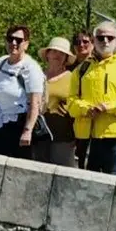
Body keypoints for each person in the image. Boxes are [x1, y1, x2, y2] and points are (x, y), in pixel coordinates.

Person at [67, 20, 116, 175]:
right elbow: (71, 101)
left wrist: (109, 107)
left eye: (110, 37)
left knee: (111, 182)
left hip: (112, 135)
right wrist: (86, 109)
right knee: (84, 183)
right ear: (94, 41)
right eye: (100, 38)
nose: (105, 41)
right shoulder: (82, 69)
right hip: (85, 135)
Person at [0, 25, 46, 159]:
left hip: (19, 127)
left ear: (26, 44)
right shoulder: (1, 62)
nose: (13, 43)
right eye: (10, 39)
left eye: (18, 40)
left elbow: (34, 103)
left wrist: (27, 131)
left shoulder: (31, 68)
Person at [34, 36, 78, 167]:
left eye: (62, 53)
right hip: (38, 136)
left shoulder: (72, 78)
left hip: (62, 137)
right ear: (47, 54)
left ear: (66, 58)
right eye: (54, 51)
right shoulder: (37, 75)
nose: (57, 55)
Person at [70, 30, 95, 168]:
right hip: (70, 121)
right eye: (77, 42)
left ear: (92, 44)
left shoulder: (97, 66)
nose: (81, 45)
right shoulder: (68, 67)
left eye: (85, 41)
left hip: (90, 122)